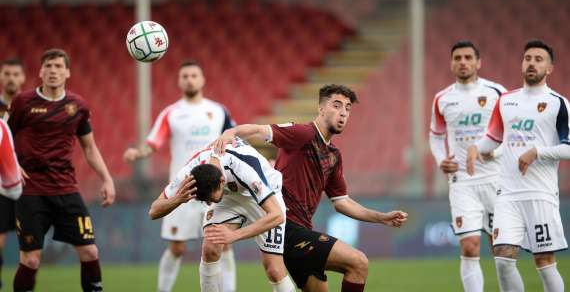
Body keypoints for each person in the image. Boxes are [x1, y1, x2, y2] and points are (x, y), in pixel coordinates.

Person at [211, 84, 408, 292]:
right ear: (321, 109)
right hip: (287, 228)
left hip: (303, 231)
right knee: (358, 263)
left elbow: (342, 202)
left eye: (348, 108)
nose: (343, 113)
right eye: (337, 105)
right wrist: (231, 132)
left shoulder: (333, 155)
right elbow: (261, 131)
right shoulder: (303, 133)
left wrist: (381, 218)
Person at [123, 60, 237, 292]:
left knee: (222, 243)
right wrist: (138, 152)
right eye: (185, 76)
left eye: (194, 75)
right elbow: (153, 143)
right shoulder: (171, 113)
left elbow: (234, 138)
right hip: (184, 187)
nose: (189, 79)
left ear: (202, 80)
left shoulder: (218, 111)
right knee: (177, 248)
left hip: (214, 188)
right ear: (179, 81)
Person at [8, 48, 116, 292]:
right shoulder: (23, 102)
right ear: (40, 72)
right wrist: (12, 165)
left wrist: (107, 179)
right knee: (31, 259)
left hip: (66, 190)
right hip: (30, 192)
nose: (52, 71)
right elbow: (4, 138)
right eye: (48, 66)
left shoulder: (77, 106)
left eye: (58, 66)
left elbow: (89, 147)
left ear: (67, 72)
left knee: (89, 251)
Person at [467, 40, 567, 292]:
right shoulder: (506, 101)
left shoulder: (559, 103)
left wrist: (537, 152)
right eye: (528, 58)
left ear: (550, 68)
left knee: (544, 262)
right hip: (507, 195)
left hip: (540, 194)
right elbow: (493, 137)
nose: (532, 63)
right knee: (502, 259)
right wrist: (476, 148)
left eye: (538, 59)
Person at [148, 140, 296, 292]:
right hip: (228, 198)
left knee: (274, 270)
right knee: (210, 247)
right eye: (204, 200)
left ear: (222, 181)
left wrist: (234, 235)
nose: (207, 204)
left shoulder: (243, 168)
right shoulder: (190, 173)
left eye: (210, 200)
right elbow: (153, 211)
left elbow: (277, 215)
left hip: (264, 194)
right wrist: (176, 199)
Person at [429, 41, 507, 292]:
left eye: (468, 57)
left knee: (503, 249)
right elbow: (436, 136)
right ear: (451, 63)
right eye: (457, 58)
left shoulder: (497, 93)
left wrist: (495, 151)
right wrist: (441, 160)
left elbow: (512, 132)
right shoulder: (442, 99)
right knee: (469, 246)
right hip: (462, 181)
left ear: (478, 62)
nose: (462, 62)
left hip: (496, 179)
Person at [0, 57, 26, 290]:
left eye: (16, 74)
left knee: (29, 246)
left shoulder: (29, 107)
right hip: (1, 184)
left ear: (23, 78)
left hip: (28, 183)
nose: (11, 78)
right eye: (7, 73)